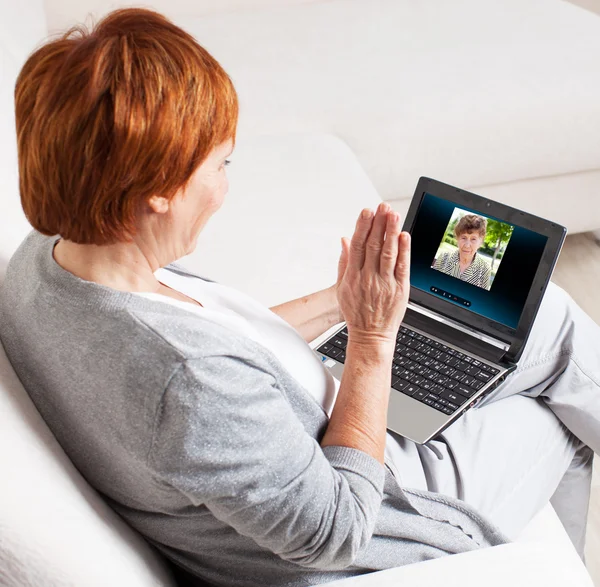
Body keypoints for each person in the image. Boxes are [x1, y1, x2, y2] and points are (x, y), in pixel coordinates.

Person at [0, 8, 598, 587]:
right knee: (555, 396)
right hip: (381, 502)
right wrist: (369, 342)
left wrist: (344, 301)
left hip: (311, 426)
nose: (224, 187)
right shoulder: (186, 384)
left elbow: (221, 346)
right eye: (220, 164)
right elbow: (335, 532)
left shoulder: (47, 261)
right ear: (157, 191)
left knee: (538, 313)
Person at [433, 214, 492, 289]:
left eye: (473, 239)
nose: (467, 245)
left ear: (480, 242)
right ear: (457, 238)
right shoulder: (444, 257)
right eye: (464, 238)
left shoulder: (485, 269)